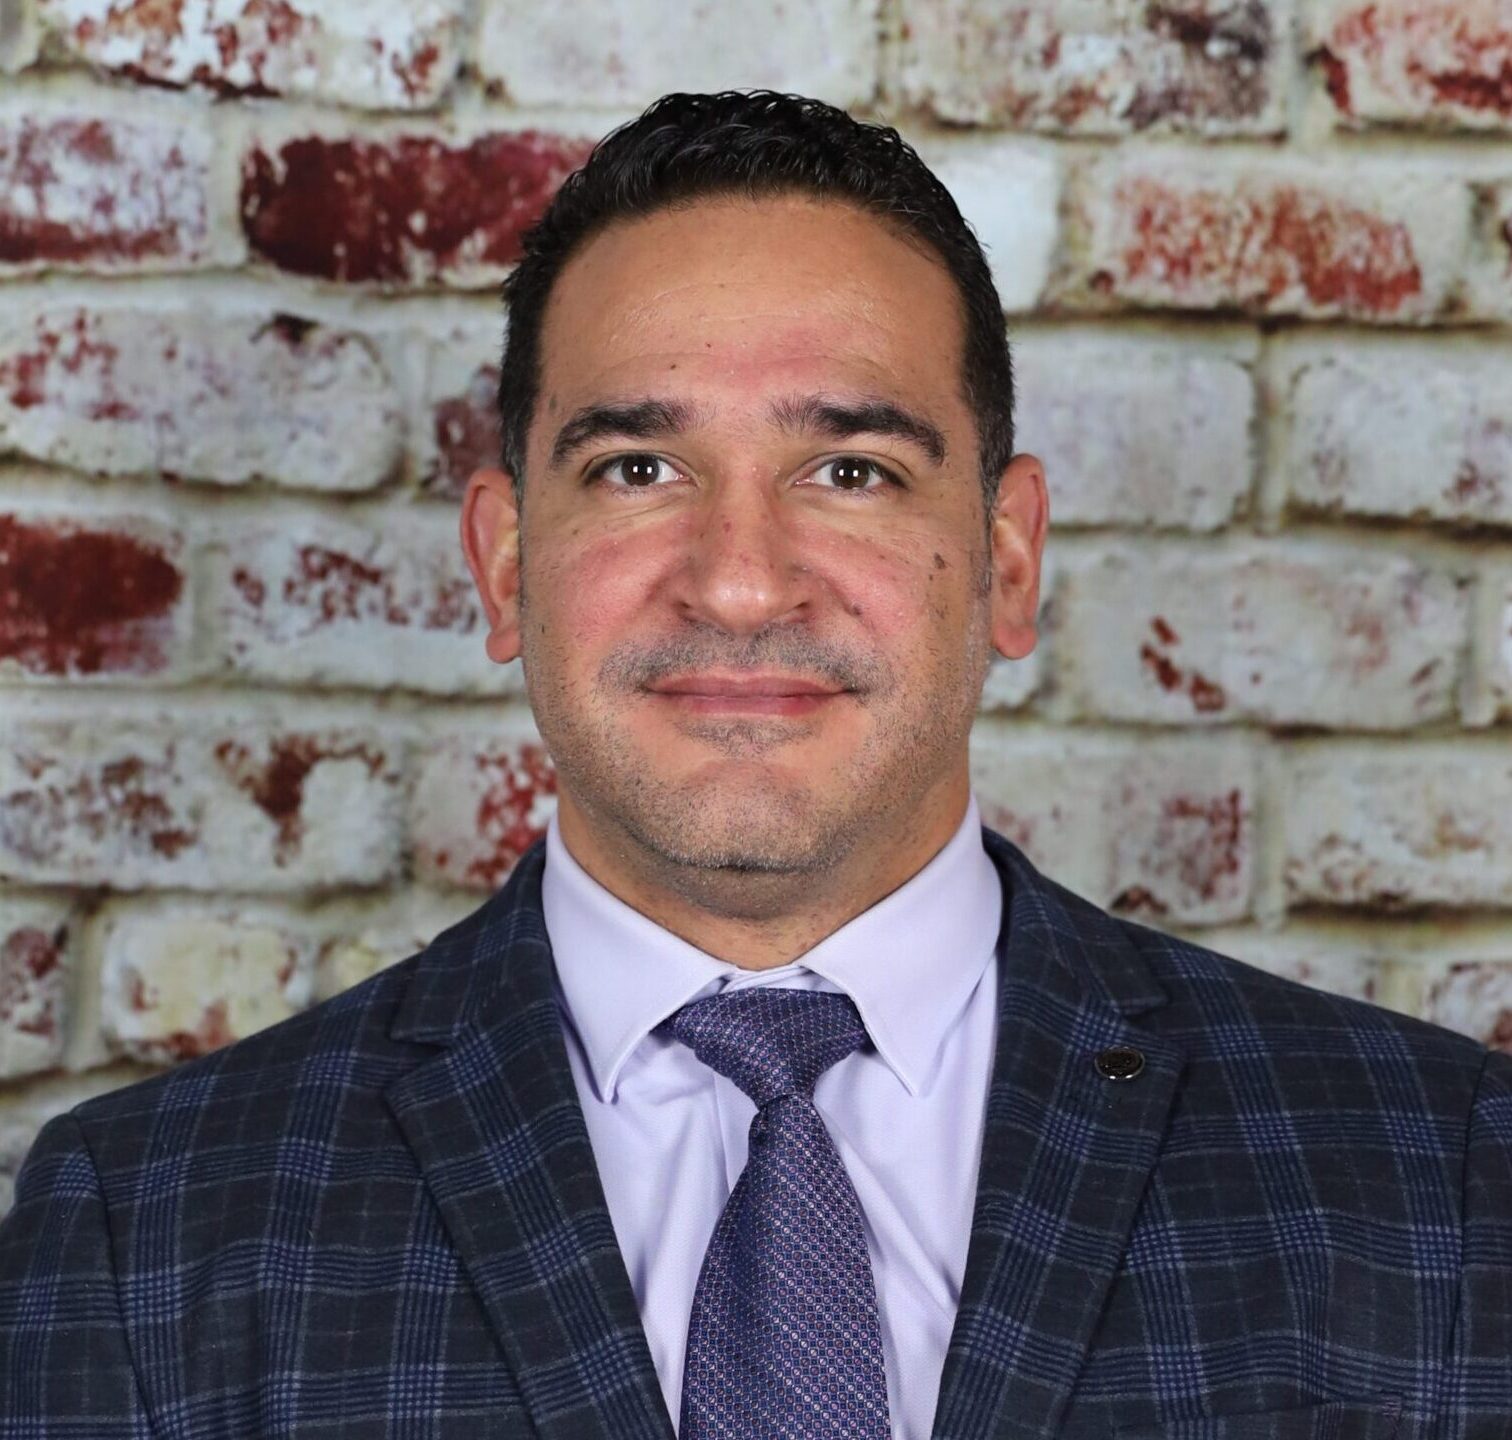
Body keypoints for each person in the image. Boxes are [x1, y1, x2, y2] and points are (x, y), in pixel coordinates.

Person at [1, 89, 1508, 1440]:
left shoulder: (1437, 1173)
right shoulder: (150, 1234)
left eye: (850, 471)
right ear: (506, 562)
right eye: (637, 469)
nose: (736, 582)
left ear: (1006, 558)